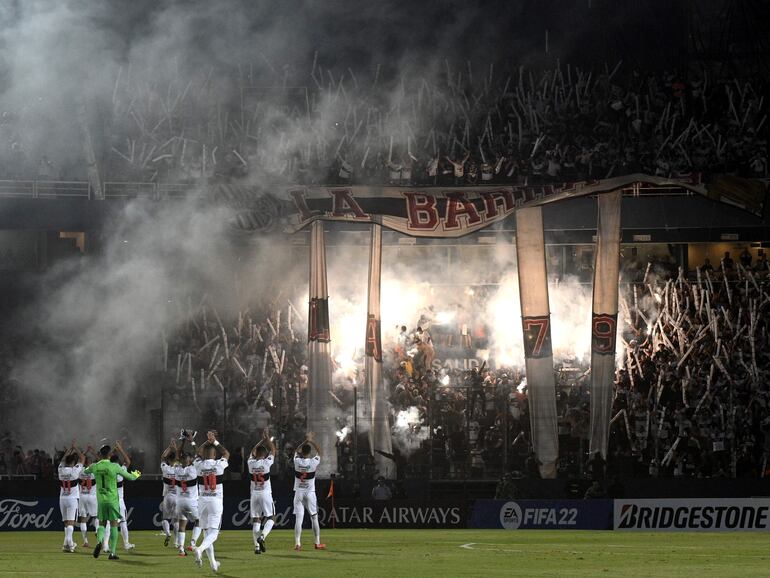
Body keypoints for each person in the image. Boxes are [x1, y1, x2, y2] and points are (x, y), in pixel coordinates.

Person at [84, 444, 141, 560]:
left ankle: (99, 542)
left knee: (102, 524)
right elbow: (130, 477)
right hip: (113, 500)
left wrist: (92, 468)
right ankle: (113, 553)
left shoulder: (95, 466)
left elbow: (85, 471)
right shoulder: (114, 466)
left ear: (100, 454)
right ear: (110, 455)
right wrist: (137, 474)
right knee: (114, 525)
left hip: (101, 500)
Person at [192, 430, 229, 572]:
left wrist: (206, 442)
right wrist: (214, 441)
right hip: (215, 501)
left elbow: (197, 453)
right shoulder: (219, 464)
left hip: (202, 501)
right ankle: (200, 549)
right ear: (214, 455)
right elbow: (226, 453)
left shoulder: (199, 465)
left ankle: (213, 563)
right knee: (213, 533)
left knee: (206, 533)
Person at [293, 432, 325, 551]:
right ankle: (317, 543)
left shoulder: (297, 461)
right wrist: (311, 440)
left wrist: (305, 441)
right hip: (310, 492)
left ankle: (297, 543)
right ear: (309, 453)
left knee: (299, 519)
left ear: (302, 452)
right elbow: (319, 452)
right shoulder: (313, 462)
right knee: (314, 517)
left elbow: (296, 451)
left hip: (298, 492)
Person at [247, 429, 276, 555]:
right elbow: (273, 450)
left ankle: (257, 547)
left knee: (256, 520)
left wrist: (261, 441)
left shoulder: (250, 463)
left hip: (254, 494)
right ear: (264, 455)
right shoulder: (266, 463)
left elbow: (253, 451)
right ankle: (262, 536)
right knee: (272, 517)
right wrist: (267, 438)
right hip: (265, 493)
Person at [174, 434, 200, 557]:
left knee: (182, 525)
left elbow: (178, 455)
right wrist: (192, 441)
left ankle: (181, 549)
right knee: (200, 521)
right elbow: (199, 455)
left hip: (179, 502)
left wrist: (183, 442)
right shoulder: (193, 469)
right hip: (191, 501)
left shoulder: (177, 469)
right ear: (189, 460)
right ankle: (193, 543)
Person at [58, 440, 85, 553]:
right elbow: (82, 459)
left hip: (62, 499)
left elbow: (62, 460)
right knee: (71, 523)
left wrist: (69, 450)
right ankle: (70, 543)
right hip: (72, 499)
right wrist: (75, 448)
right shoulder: (75, 471)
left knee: (66, 523)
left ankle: (66, 544)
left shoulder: (60, 470)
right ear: (73, 462)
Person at [77, 445, 99, 548]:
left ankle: (85, 541)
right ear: (90, 463)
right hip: (92, 496)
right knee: (97, 516)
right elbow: (101, 461)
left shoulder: (80, 471)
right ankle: (97, 531)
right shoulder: (94, 471)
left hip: (82, 497)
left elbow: (81, 459)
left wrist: (85, 452)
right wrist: (93, 452)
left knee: (83, 519)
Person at [160, 439, 179, 548]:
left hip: (167, 497)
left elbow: (162, 457)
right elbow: (179, 457)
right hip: (177, 497)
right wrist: (175, 448)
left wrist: (169, 447)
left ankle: (167, 533)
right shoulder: (179, 470)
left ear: (168, 460)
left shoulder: (165, 469)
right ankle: (176, 542)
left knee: (165, 518)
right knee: (176, 520)